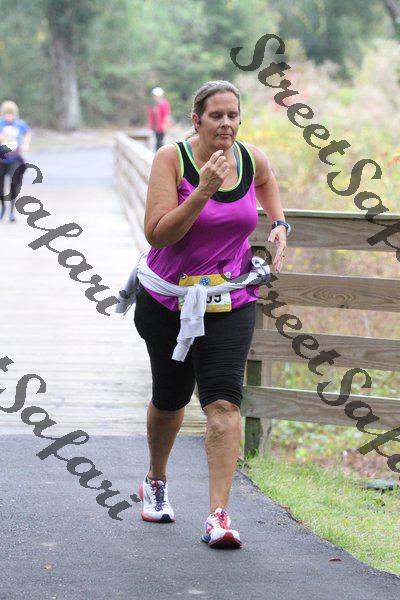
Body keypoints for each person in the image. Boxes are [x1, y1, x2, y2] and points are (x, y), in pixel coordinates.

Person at [121, 80, 290, 548]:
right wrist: (202, 191)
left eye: (233, 115)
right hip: (168, 300)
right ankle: (156, 479)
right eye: (216, 116)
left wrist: (279, 223)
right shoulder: (171, 159)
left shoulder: (250, 159)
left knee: (224, 404)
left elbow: (266, 181)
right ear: (196, 121)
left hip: (230, 298)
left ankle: (219, 515)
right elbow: (158, 234)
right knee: (171, 398)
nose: (226, 123)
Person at [0, 100, 31, 222]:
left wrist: (26, 143)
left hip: (15, 159)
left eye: (11, 114)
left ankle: (12, 212)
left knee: (14, 183)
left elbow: (27, 133)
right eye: (6, 114)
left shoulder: (19, 124)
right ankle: (3, 208)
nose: (9, 116)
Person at [148, 87, 171, 152]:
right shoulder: (154, 104)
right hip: (156, 127)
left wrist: (165, 126)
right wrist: (151, 125)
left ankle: (160, 154)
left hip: (161, 127)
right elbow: (151, 116)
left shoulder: (164, 104)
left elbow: (167, 115)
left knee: (160, 142)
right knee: (157, 141)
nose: (154, 97)